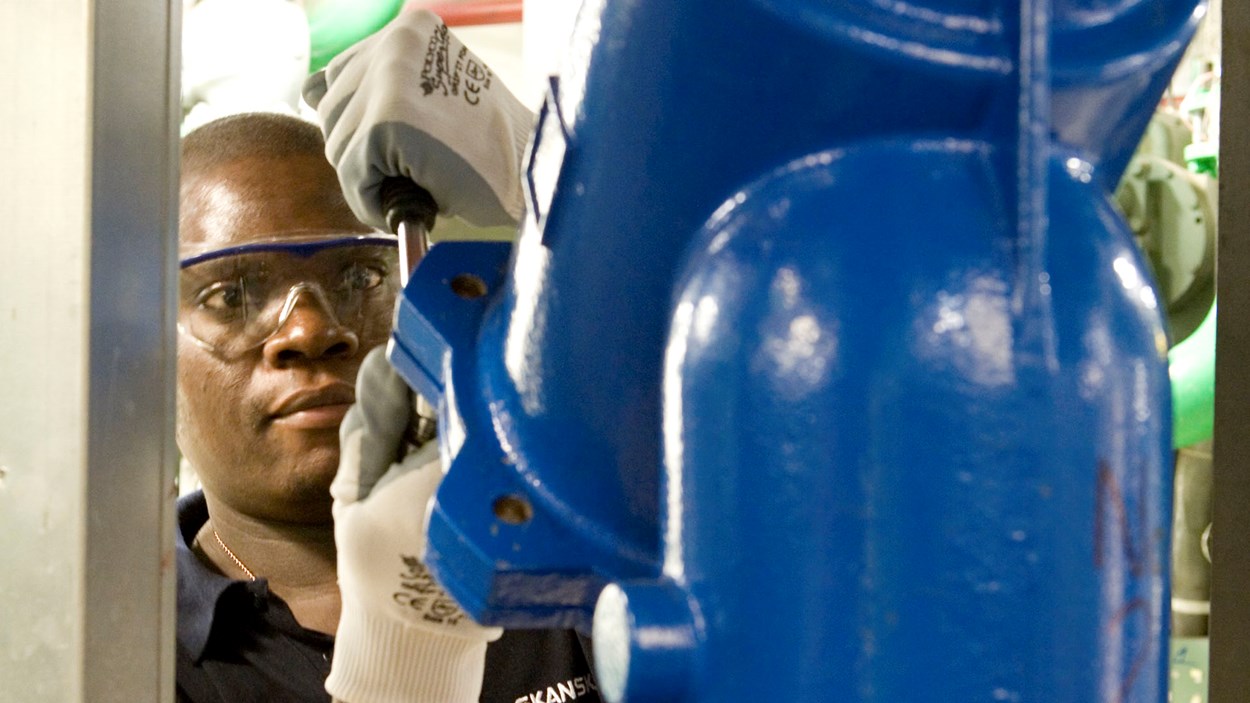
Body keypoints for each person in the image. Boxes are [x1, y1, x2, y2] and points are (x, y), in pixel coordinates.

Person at [174, 111, 600, 702]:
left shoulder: (558, 544)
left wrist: (550, 172)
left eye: (357, 278)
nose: (311, 328)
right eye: (231, 295)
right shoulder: (121, 647)